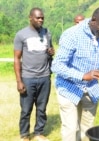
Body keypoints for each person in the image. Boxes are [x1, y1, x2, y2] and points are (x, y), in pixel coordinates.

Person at [51, 6, 99, 141]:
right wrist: (82, 76)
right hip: (68, 88)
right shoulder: (72, 34)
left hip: (91, 90)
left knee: (88, 130)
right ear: (93, 20)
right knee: (71, 129)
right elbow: (57, 65)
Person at [14, 7, 54, 141]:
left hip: (44, 77)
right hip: (28, 78)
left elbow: (50, 50)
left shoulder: (47, 32)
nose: (41, 20)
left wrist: (51, 52)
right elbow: (16, 58)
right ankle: (24, 135)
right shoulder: (21, 35)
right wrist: (19, 81)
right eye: (38, 17)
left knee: (42, 108)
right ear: (30, 18)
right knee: (26, 109)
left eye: (42, 17)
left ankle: (38, 133)